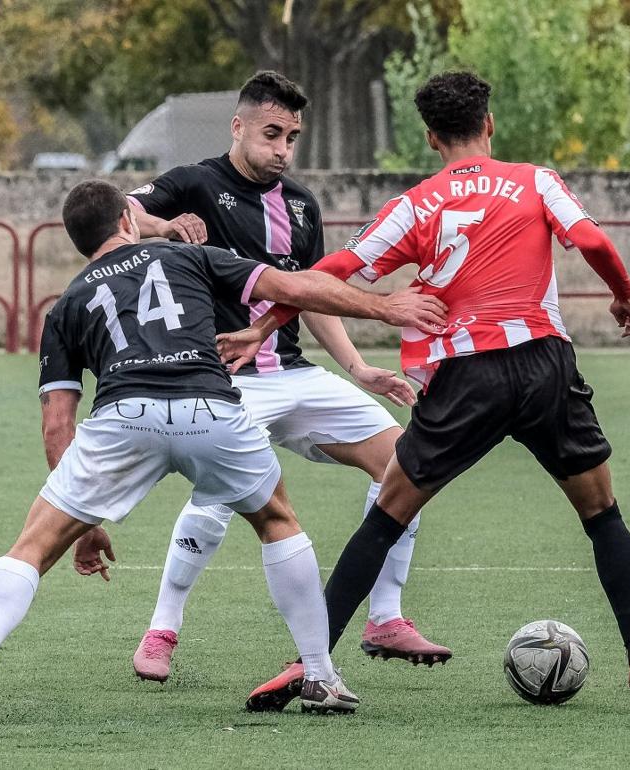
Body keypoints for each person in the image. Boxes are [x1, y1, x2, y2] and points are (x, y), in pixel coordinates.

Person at [0, 180, 448, 721]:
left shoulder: (68, 302)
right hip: (210, 409)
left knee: (32, 548)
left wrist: (87, 524)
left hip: (122, 419)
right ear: (126, 221)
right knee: (278, 521)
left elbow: (57, 423)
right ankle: (321, 676)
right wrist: (384, 307)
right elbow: (296, 289)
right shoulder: (190, 258)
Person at [225, 72, 630, 711]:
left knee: (387, 516)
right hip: (544, 365)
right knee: (602, 513)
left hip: (465, 374)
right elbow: (590, 240)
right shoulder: (534, 180)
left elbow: (329, 274)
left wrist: (262, 326)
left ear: (430, 137)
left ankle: (306, 664)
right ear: (489, 125)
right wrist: (625, 294)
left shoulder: (416, 204)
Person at [106, 70, 451, 683]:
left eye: (291, 137)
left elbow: (312, 295)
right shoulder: (193, 183)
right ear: (238, 127)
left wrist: (359, 368)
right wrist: (165, 225)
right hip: (221, 379)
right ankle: (162, 629)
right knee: (218, 493)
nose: (282, 149)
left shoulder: (299, 204)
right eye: (271, 133)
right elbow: (119, 212)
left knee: (407, 463)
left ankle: (386, 618)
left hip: (293, 373)